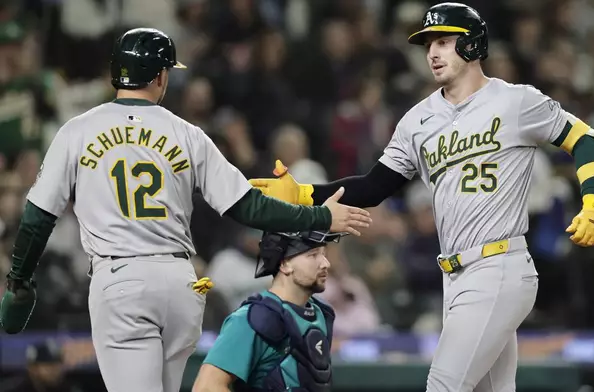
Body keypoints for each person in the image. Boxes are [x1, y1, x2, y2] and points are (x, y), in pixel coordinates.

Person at [248, 3, 594, 392]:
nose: (432, 53)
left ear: (472, 46)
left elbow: (587, 141)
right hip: (454, 276)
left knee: (442, 386)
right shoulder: (417, 120)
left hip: (499, 265)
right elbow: (374, 186)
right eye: (427, 45)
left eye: (443, 41)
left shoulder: (515, 101)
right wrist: (303, 193)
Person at [0, 28, 371, 392]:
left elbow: (37, 219)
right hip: (182, 283)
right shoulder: (186, 133)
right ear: (160, 76)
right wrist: (318, 216)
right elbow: (249, 207)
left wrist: (18, 280)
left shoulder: (77, 131)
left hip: (121, 278)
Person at [192, 230, 341, 392]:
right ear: (284, 264)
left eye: (324, 254)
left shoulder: (321, 313)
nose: (326, 263)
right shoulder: (254, 317)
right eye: (313, 255)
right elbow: (207, 387)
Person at [1, 340, 85, 392]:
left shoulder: (69, 389)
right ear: (33, 368)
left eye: (58, 364)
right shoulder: (14, 389)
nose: (56, 370)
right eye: (49, 365)